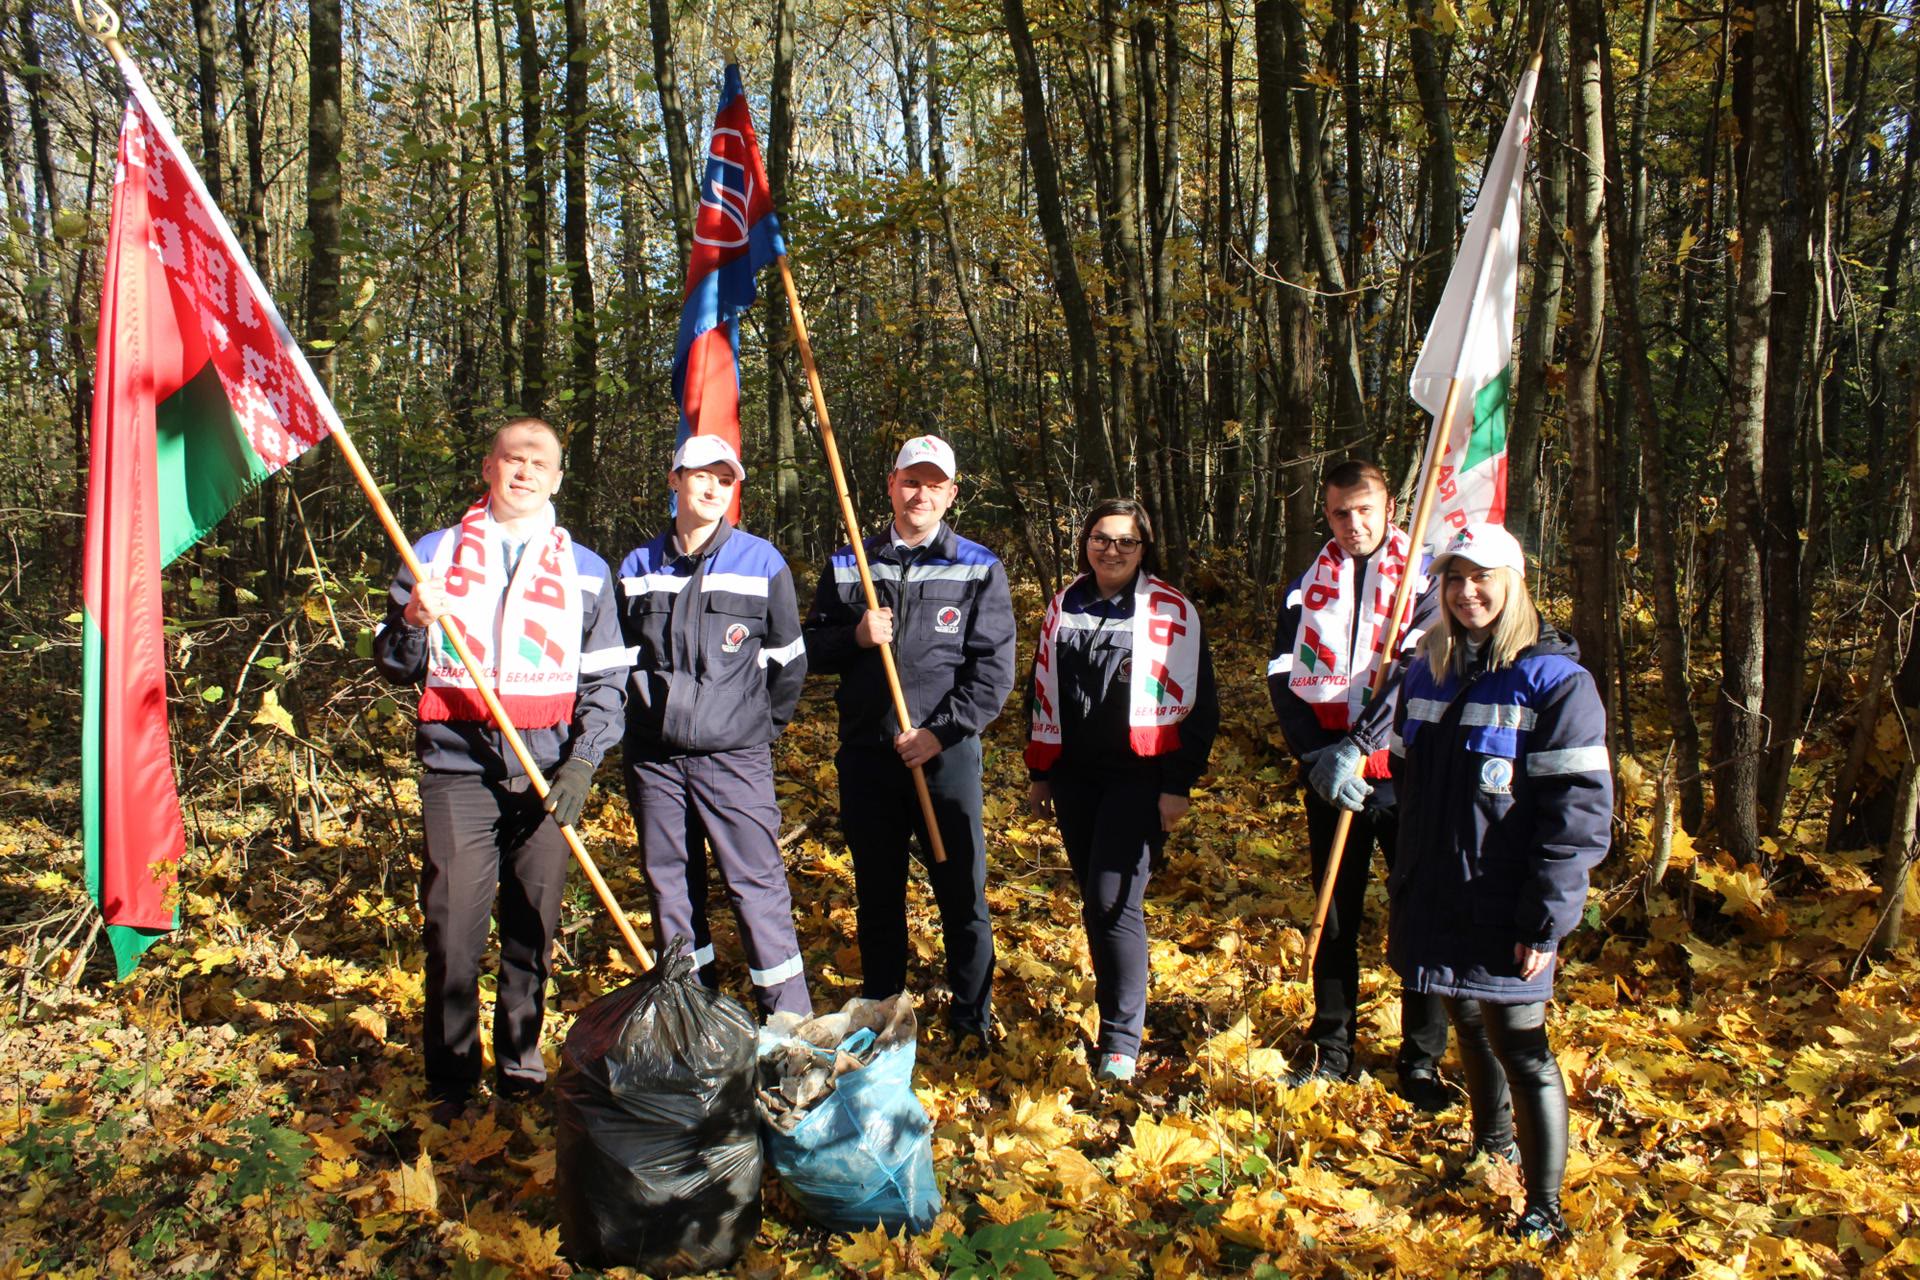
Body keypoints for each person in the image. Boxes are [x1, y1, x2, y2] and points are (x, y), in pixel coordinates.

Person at [373, 418, 629, 1117]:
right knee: (454, 926)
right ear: (489, 467)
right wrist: (414, 624)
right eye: (512, 459)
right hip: (458, 763)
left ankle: (520, 1067)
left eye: (539, 462)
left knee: (534, 928)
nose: (524, 471)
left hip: (547, 770)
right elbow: (393, 663)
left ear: (557, 477)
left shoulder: (587, 569)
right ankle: (452, 1080)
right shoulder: (433, 551)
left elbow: (607, 684)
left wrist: (582, 764)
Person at [1387, 522, 1612, 1244]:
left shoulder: (1556, 682)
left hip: (1507, 902)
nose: (1467, 591)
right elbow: (1405, 782)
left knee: (1520, 1040)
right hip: (1437, 892)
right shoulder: (1427, 670)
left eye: (1482, 577)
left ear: (1514, 583)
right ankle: (1492, 1148)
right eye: (1454, 579)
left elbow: (1577, 820)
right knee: (1462, 1020)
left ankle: (1544, 1206)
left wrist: (1544, 921)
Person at [802, 434, 1016, 1049]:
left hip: (944, 756)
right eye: (909, 480)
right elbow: (810, 649)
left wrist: (939, 734)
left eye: (933, 483)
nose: (920, 493)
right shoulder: (851, 564)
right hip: (868, 754)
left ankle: (972, 1018)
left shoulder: (979, 566)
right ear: (891, 486)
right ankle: (882, 1015)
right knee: (877, 890)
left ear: (951, 493)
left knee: (961, 888)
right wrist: (857, 638)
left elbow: (993, 672)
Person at [1266, 458, 1450, 1105]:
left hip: (1407, 774)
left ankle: (1422, 1059)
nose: (1353, 523)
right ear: (1327, 513)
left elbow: (1417, 667)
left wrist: (1362, 744)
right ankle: (1331, 1046)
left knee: (1419, 916)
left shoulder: (1424, 578)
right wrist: (1317, 756)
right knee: (1337, 914)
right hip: (1328, 779)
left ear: (1390, 508)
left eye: (1364, 509)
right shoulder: (1305, 587)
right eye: (1340, 512)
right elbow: (1281, 672)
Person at [615, 434, 811, 1016]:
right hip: (654, 760)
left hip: (735, 758)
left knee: (756, 887)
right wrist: (642, 720)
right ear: (674, 480)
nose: (712, 487)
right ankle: (693, 1019)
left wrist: (753, 726)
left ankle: (788, 1024)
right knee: (671, 889)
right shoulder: (637, 567)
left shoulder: (761, 561)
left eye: (725, 479)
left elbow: (788, 662)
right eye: (700, 475)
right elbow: (620, 661)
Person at [1025, 500, 1218, 1084]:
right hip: (1076, 776)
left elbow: (1200, 704)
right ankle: (1116, 1009)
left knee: (1114, 901)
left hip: (1141, 774)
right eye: (1101, 539)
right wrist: (1040, 772)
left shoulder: (1171, 610)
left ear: (1144, 548)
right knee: (1095, 899)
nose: (1111, 550)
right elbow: (1039, 690)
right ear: (1086, 543)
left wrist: (1178, 784)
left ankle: (1121, 1039)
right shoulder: (1063, 605)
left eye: (1125, 542)